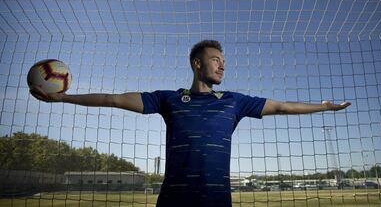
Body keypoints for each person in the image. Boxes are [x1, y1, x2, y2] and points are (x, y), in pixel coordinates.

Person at [30, 40, 350, 207]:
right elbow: (113, 99)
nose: (222, 65)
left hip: (216, 203)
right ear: (197, 64)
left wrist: (322, 107)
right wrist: (63, 99)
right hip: (173, 202)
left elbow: (281, 106)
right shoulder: (167, 99)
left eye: (224, 61)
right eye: (215, 60)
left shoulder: (234, 101)